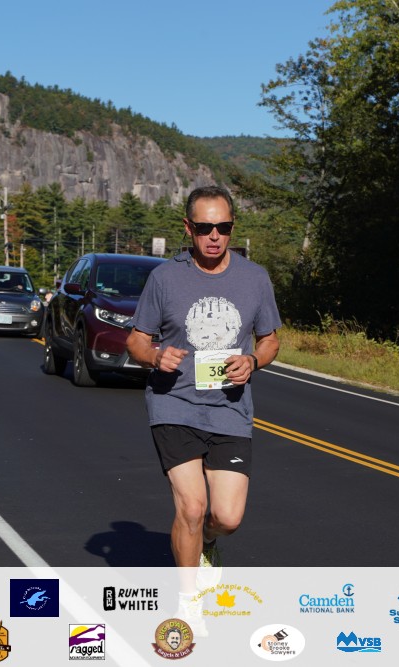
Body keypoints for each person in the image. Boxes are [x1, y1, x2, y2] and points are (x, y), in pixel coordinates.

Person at [126, 185, 281, 624]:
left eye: (224, 227)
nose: (214, 236)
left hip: (229, 408)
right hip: (173, 402)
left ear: (232, 227)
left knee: (226, 517)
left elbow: (270, 340)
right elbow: (136, 340)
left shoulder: (255, 278)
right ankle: (189, 603)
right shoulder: (165, 278)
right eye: (204, 228)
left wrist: (253, 361)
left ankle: (207, 542)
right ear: (188, 227)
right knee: (191, 507)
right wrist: (155, 356)